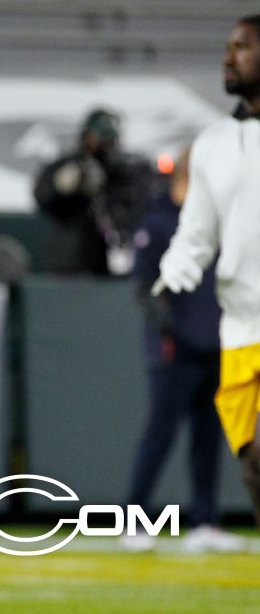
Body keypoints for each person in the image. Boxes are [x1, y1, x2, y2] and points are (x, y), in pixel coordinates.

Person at [157, 14, 260, 537]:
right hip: (241, 328)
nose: (228, 57)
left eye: (241, 47)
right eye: (228, 46)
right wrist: (174, 271)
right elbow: (197, 230)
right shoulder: (215, 142)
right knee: (253, 464)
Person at [122, 148, 244, 553]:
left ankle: (205, 522)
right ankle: (134, 521)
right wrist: (169, 329)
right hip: (174, 349)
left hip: (215, 344)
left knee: (209, 438)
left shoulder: (220, 223)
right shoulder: (158, 222)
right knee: (159, 434)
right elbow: (143, 285)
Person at [33, 108, 153, 276]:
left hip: (113, 257)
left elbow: (141, 202)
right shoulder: (69, 165)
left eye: (109, 139)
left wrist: (112, 187)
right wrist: (62, 186)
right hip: (73, 259)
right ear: (86, 135)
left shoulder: (124, 169)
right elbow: (43, 197)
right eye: (99, 138)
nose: (103, 144)